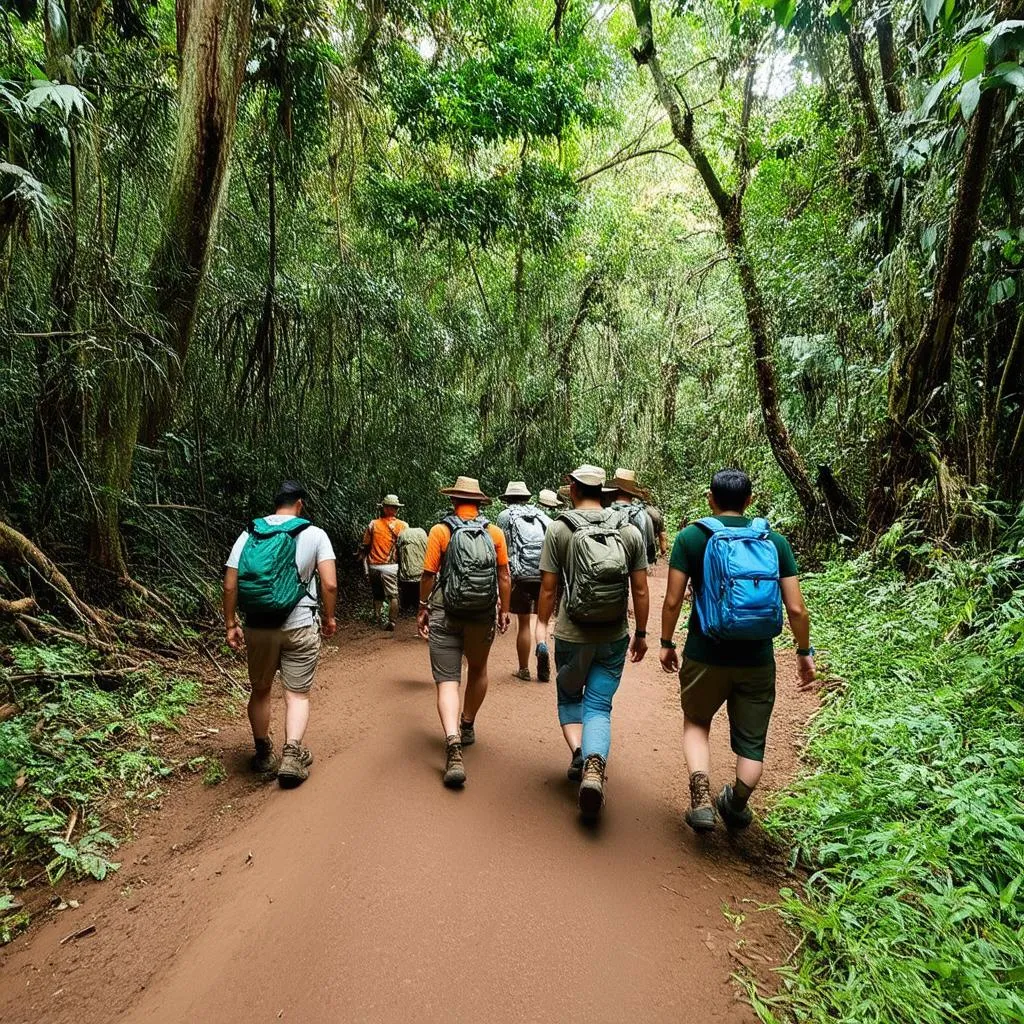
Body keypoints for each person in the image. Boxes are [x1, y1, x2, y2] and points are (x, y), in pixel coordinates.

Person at [659, 468, 816, 832]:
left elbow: (671, 601)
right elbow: (796, 609)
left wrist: (666, 644)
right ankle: (736, 803)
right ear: (749, 500)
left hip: (704, 653)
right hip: (756, 659)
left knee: (697, 723)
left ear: (710, 498)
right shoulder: (773, 541)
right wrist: (803, 651)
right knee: (752, 744)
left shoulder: (691, 538)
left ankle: (700, 798)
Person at [536, 465, 649, 820]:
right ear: (604, 491)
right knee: (598, 705)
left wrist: (542, 623)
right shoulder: (628, 531)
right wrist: (642, 634)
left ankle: (580, 753)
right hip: (613, 635)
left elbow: (549, 588)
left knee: (570, 696)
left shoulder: (559, 529)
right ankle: (594, 764)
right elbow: (641, 588)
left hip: (572, 633)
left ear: (572, 489)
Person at [223, 480, 337, 787]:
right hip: (299, 625)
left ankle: (263, 754)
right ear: (299, 503)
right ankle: (291, 753)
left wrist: (231, 623)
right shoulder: (314, 534)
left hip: (258, 625)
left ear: (276, 503)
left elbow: (231, 584)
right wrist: (328, 618)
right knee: (296, 694)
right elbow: (329, 584)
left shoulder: (251, 533)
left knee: (260, 690)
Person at [417, 476, 512, 788]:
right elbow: (504, 575)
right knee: (479, 668)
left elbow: (429, 574)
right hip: (482, 613)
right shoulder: (494, 533)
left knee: (447, 681)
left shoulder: (440, 531)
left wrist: (423, 606)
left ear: (454, 501)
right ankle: (467, 723)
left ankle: (452, 742)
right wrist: (504, 609)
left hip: (446, 610)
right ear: (480, 503)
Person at [496, 481, 552, 682]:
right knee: (541, 619)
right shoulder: (543, 516)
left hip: (519, 574)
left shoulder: (504, 517)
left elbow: (501, 548)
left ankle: (524, 669)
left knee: (524, 622)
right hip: (544, 573)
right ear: (527, 497)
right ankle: (542, 645)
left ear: (508, 499)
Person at [360, 494, 408, 630]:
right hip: (391, 566)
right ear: (395, 509)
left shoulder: (373, 524)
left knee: (377, 594)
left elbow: (365, 545)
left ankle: (378, 618)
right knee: (393, 595)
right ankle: (392, 622)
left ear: (384, 508)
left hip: (374, 565)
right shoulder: (403, 526)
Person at [608, 467, 658, 565]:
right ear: (632, 493)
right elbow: (648, 550)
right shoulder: (643, 515)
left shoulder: (605, 513)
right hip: (636, 566)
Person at [396, 524, 429, 613]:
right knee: (417, 591)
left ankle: (405, 607)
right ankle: (416, 607)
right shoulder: (422, 535)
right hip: (420, 571)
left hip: (406, 571)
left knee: (406, 591)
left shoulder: (403, 535)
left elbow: (398, 552)